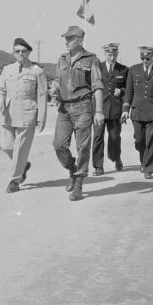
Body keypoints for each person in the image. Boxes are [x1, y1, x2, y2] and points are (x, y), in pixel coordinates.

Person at [50, 26, 104, 201]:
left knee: (83, 147)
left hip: (83, 108)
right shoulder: (62, 59)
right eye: (65, 38)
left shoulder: (91, 59)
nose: (66, 41)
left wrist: (99, 111)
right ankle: (72, 168)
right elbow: (58, 81)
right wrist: (55, 91)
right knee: (59, 145)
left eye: (70, 38)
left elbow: (97, 86)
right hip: (64, 109)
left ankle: (79, 184)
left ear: (80, 41)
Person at [0, 38, 48, 193]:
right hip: (8, 113)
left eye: (23, 51)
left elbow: (42, 95)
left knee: (20, 149)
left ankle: (15, 180)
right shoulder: (7, 69)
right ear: (13, 53)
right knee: (6, 146)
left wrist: (41, 118)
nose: (20, 54)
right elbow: (0, 88)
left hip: (27, 114)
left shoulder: (37, 71)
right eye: (17, 51)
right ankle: (23, 165)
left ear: (29, 52)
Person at [121, 46, 153, 179]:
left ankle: (149, 168)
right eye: (142, 58)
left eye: (147, 58)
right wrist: (125, 110)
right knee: (139, 141)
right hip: (137, 111)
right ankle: (143, 160)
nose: (144, 61)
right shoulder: (133, 69)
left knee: (152, 141)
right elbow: (129, 92)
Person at [92, 43, 128, 175]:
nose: (112, 57)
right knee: (97, 137)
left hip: (115, 110)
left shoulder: (123, 70)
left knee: (114, 137)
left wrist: (122, 92)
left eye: (114, 55)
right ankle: (98, 166)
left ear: (117, 54)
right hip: (99, 109)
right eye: (109, 54)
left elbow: (128, 89)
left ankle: (116, 157)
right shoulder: (97, 68)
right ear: (105, 54)